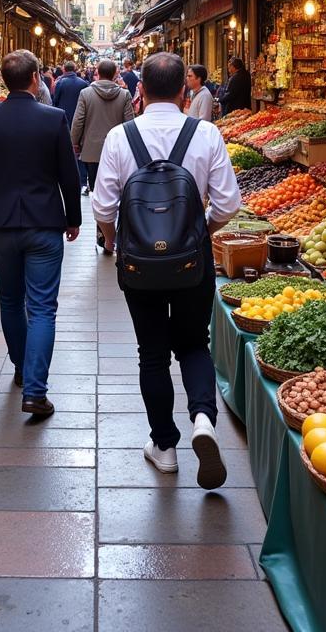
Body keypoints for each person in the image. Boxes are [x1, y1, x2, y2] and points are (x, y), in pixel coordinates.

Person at [94, 53, 242, 488]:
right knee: (195, 344)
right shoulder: (207, 133)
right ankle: (202, 419)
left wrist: (114, 240)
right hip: (194, 263)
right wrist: (199, 231)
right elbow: (229, 203)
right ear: (185, 90)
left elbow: (103, 206)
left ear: (139, 91)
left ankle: (164, 447)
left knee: (153, 354)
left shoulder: (122, 138)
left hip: (140, 266)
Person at [0, 50, 81, 416]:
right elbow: (68, 173)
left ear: (4, 80)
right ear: (35, 79)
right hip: (45, 223)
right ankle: (35, 389)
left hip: (2, 226)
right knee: (43, 307)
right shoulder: (53, 118)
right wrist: (73, 217)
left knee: (12, 302)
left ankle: (19, 367)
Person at [70, 58, 134, 196]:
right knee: (115, 189)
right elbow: (129, 122)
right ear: (115, 74)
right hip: (117, 149)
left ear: (97, 72)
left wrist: (74, 142)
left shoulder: (86, 93)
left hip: (92, 149)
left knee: (96, 189)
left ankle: (99, 215)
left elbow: (78, 120)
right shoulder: (124, 94)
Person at [52, 61, 90, 194]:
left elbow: (55, 101)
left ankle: (65, 177)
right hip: (80, 120)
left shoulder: (60, 83)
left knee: (64, 149)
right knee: (79, 149)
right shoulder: (83, 83)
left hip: (64, 120)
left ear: (64, 69)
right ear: (75, 69)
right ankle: (82, 182)